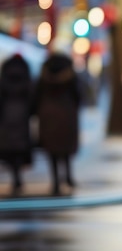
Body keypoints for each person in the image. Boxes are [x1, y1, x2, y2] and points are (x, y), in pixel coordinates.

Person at [32, 52, 81, 195]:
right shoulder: (71, 76)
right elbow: (78, 95)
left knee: (51, 151)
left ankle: (55, 182)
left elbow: (36, 96)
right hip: (67, 114)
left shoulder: (43, 76)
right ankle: (68, 177)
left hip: (48, 115)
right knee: (66, 149)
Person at [0, 54, 33, 196]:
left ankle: (15, 176)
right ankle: (18, 176)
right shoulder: (25, 78)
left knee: (9, 148)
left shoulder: (4, 78)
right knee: (19, 148)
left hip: (7, 116)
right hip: (22, 115)